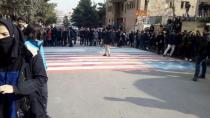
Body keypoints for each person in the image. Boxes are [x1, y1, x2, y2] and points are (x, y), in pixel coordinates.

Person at [0, 18, 48, 118]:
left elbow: (41, 79)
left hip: (22, 108)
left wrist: (15, 88)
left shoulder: (29, 54)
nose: (0, 38)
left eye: (4, 34)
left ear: (14, 35)